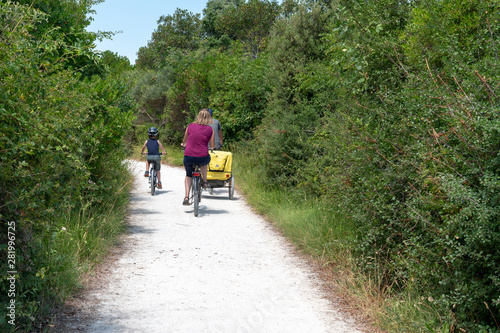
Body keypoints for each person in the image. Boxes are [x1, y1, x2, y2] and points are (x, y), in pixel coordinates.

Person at [181, 109, 215, 205]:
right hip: (202, 156)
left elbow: (184, 141)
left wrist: (183, 144)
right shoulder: (210, 130)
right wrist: (212, 147)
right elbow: (212, 145)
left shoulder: (190, 126)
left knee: (188, 175)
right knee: (205, 162)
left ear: (198, 116)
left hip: (189, 156)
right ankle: (205, 182)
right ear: (209, 117)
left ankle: (186, 197)